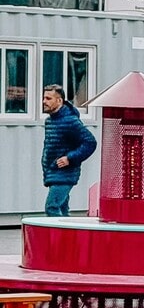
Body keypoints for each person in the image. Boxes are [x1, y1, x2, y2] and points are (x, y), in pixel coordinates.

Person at [40, 84, 97, 217]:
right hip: (52, 173)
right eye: (44, 98)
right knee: (63, 211)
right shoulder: (50, 121)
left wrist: (69, 158)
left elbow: (90, 142)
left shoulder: (71, 121)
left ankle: (59, 237)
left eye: (48, 98)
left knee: (52, 207)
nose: (44, 102)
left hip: (65, 175)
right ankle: (69, 237)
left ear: (59, 101)